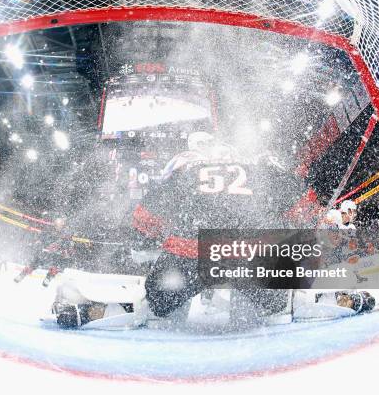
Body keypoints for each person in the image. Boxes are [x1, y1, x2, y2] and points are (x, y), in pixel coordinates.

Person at [52, 132, 308, 328]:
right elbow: (302, 211)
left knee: (161, 305)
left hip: (190, 256)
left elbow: (143, 219)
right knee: (268, 304)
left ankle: (131, 318)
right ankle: (269, 314)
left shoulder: (185, 171)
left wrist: (164, 234)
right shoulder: (256, 170)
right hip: (252, 256)